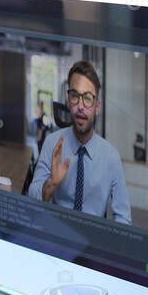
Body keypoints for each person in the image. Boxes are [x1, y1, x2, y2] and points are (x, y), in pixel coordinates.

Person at [27, 61, 131, 224]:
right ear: (69, 101)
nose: (80, 106)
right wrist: (51, 184)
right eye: (75, 96)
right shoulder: (52, 143)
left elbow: (123, 217)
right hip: (56, 234)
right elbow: (31, 197)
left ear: (97, 107)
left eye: (88, 98)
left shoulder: (112, 158)